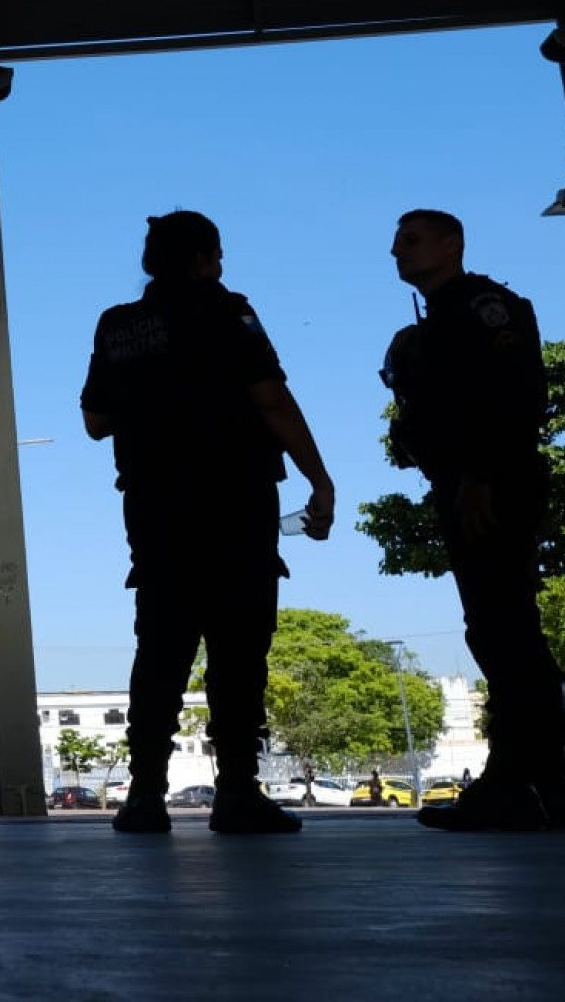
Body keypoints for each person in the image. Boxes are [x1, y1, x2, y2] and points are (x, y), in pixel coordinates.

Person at [81, 210, 336, 835]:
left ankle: (144, 796)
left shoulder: (119, 324)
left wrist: (154, 399)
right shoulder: (228, 311)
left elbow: (95, 420)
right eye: (215, 255)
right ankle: (238, 793)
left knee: (161, 647)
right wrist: (319, 480)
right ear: (202, 259)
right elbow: (269, 397)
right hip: (232, 498)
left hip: (154, 505)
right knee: (238, 647)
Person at [381, 209, 565, 831]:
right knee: (497, 627)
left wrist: (479, 477)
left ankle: (517, 783)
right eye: (397, 241)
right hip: (463, 482)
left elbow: (515, 398)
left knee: (505, 628)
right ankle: (544, 785)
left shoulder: (485, 308)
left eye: (411, 239)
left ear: (452, 243)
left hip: (490, 486)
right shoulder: (438, 320)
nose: (397, 250)